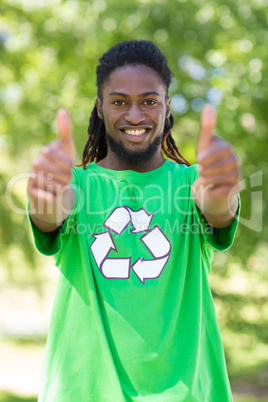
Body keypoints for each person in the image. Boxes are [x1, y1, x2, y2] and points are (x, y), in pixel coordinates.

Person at [27, 40, 241, 401]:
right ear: (100, 107)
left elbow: (217, 206)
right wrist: (44, 196)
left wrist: (221, 190)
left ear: (167, 106)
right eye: (119, 101)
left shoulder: (191, 184)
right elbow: (51, 213)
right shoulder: (77, 184)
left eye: (149, 101)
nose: (135, 115)